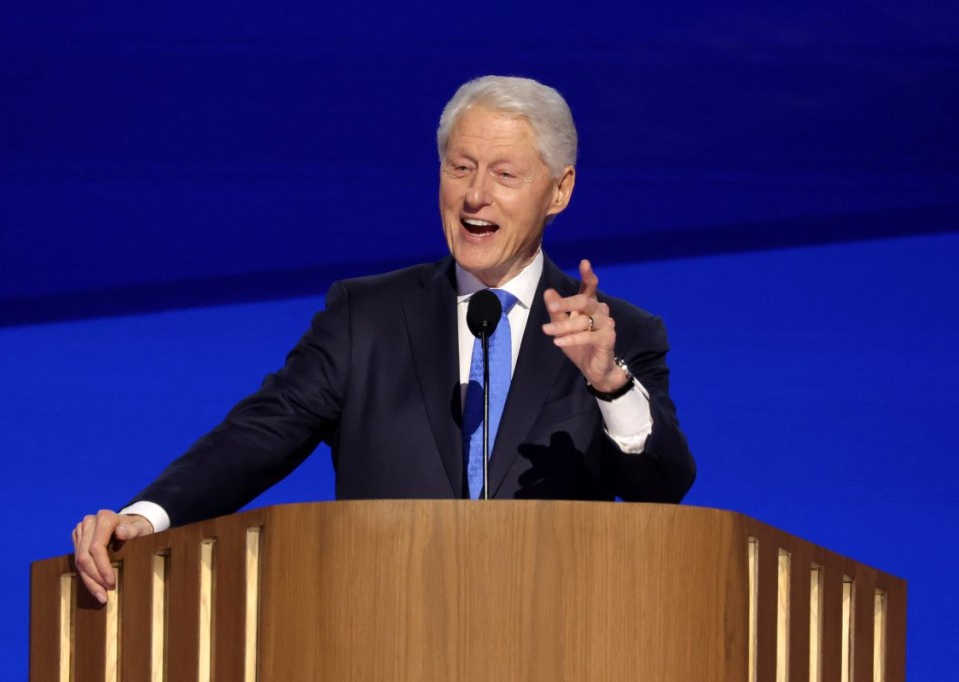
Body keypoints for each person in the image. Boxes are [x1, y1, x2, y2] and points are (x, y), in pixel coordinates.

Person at [73, 75, 696, 604]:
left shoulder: (618, 336)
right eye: (460, 168)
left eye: (505, 174)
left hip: (553, 634)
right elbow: (261, 433)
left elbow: (661, 489)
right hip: (380, 627)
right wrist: (146, 516)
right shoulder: (365, 316)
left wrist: (609, 383)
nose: (476, 194)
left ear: (559, 191)